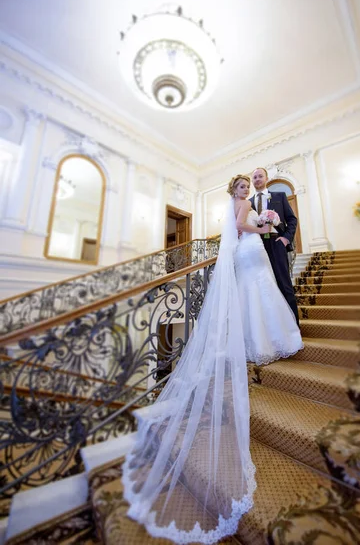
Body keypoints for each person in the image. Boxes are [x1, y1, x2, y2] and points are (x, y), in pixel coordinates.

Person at [122, 174, 303, 545]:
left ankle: (272, 336)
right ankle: (266, 339)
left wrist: (267, 224)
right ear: (234, 191)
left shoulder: (256, 201)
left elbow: (249, 225)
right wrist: (261, 223)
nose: (243, 190)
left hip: (254, 251)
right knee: (257, 295)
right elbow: (241, 225)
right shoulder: (243, 207)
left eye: (245, 187)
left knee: (264, 294)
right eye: (239, 187)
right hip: (250, 248)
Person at [250, 167, 300, 325]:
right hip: (257, 246)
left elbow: (292, 219)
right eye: (255, 177)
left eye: (260, 176)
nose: (257, 179)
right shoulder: (248, 203)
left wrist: (286, 238)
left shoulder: (279, 196)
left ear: (266, 178)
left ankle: (293, 327)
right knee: (263, 287)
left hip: (276, 242)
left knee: (283, 284)